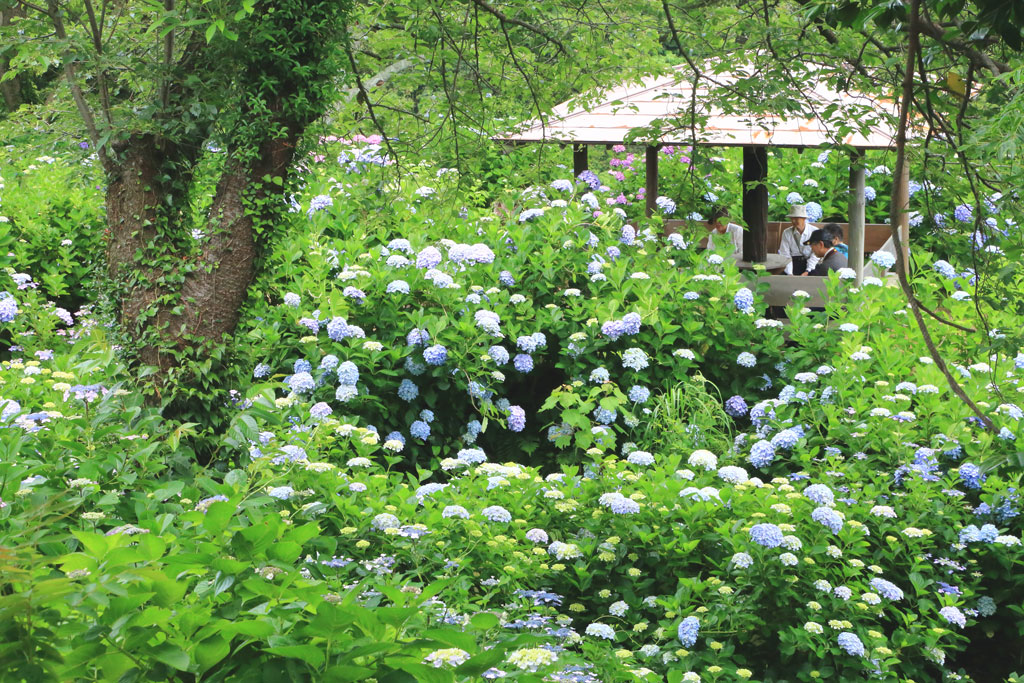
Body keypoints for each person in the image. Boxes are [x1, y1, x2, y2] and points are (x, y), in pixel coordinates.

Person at [778, 204, 815, 275]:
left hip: (809, 263)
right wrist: (790, 273)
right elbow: (785, 254)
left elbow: (815, 255)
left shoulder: (813, 231)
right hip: (793, 263)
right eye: (792, 219)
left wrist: (808, 271)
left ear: (804, 219)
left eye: (796, 218)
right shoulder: (787, 233)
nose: (793, 221)